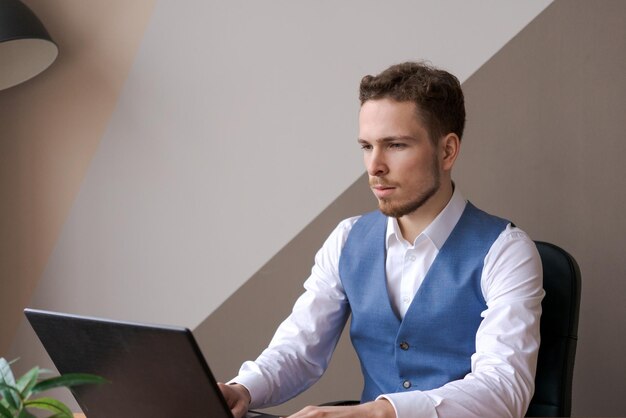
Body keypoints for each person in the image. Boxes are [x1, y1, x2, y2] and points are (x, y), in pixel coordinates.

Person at [219, 61, 544, 418]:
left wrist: (379, 412)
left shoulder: (507, 251)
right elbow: (299, 348)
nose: (374, 166)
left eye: (395, 145)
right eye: (366, 146)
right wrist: (243, 389)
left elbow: (503, 388)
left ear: (447, 151)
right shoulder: (347, 239)